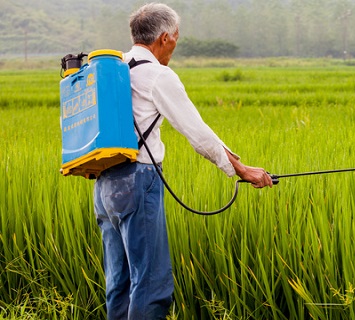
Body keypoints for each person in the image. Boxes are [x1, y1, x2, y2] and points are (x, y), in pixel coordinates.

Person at [93, 3, 272, 319]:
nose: (175, 45)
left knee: (119, 284)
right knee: (150, 285)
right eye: (175, 38)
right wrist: (239, 169)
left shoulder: (112, 69)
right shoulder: (157, 75)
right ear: (164, 38)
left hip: (104, 185)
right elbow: (198, 133)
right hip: (138, 181)